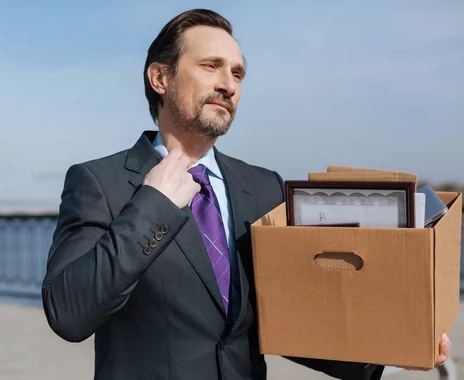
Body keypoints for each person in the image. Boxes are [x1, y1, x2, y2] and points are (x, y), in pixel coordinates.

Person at [41, 8, 451, 380]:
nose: (228, 85)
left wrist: (393, 352)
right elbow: (69, 314)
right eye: (211, 67)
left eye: (237, 74)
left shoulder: (263, 186)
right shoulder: (100, 182)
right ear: (160, 78)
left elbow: (287, 320)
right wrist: (155, 204)